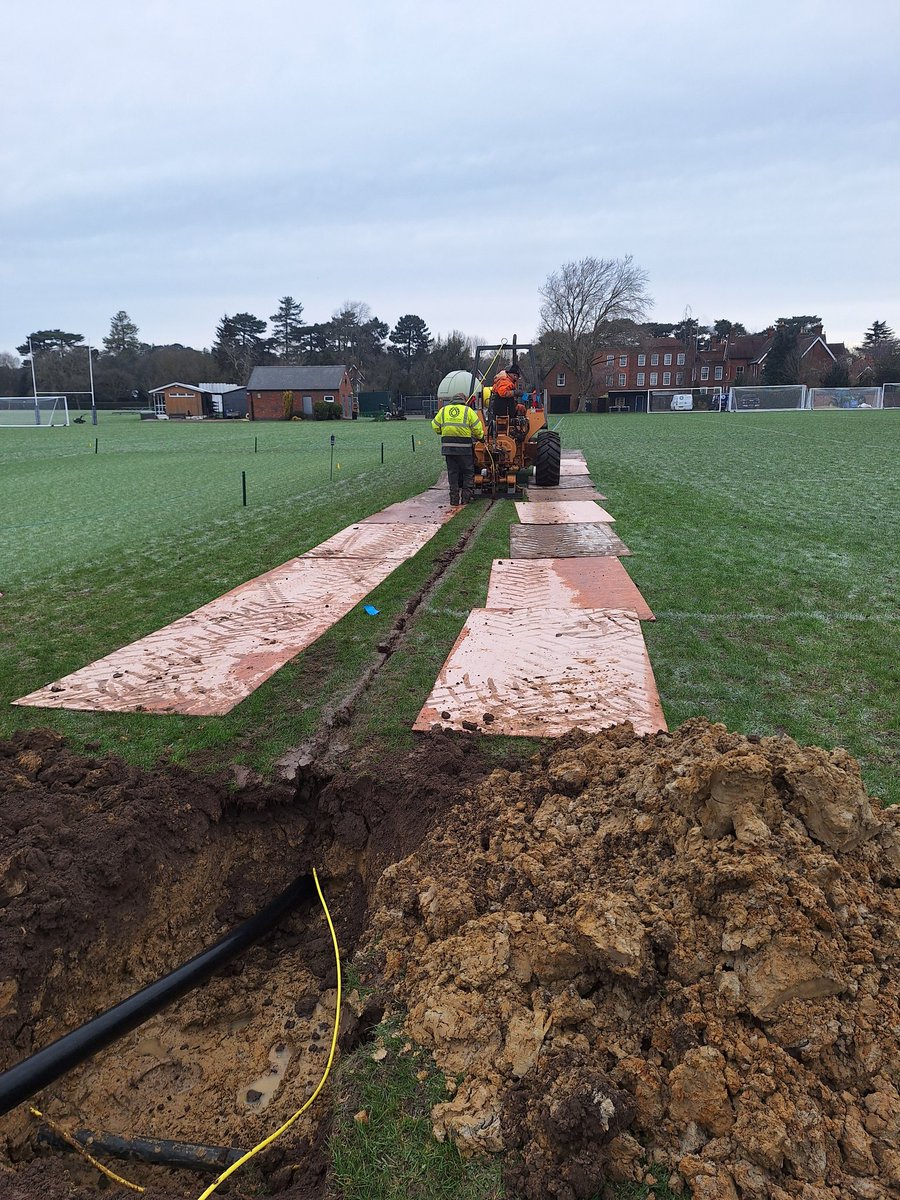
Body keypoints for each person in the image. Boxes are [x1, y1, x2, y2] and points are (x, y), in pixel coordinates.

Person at [431, 392, 485, 505]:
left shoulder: (444, 411)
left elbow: (435, 425)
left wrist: (441, 431)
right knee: (468, 472)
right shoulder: (468, 411)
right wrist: (481, 438)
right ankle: (466, 498)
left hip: (448, 448)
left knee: (452, 472)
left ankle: (454, 499)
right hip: (464, 448)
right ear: (464, 400)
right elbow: (477, 428)